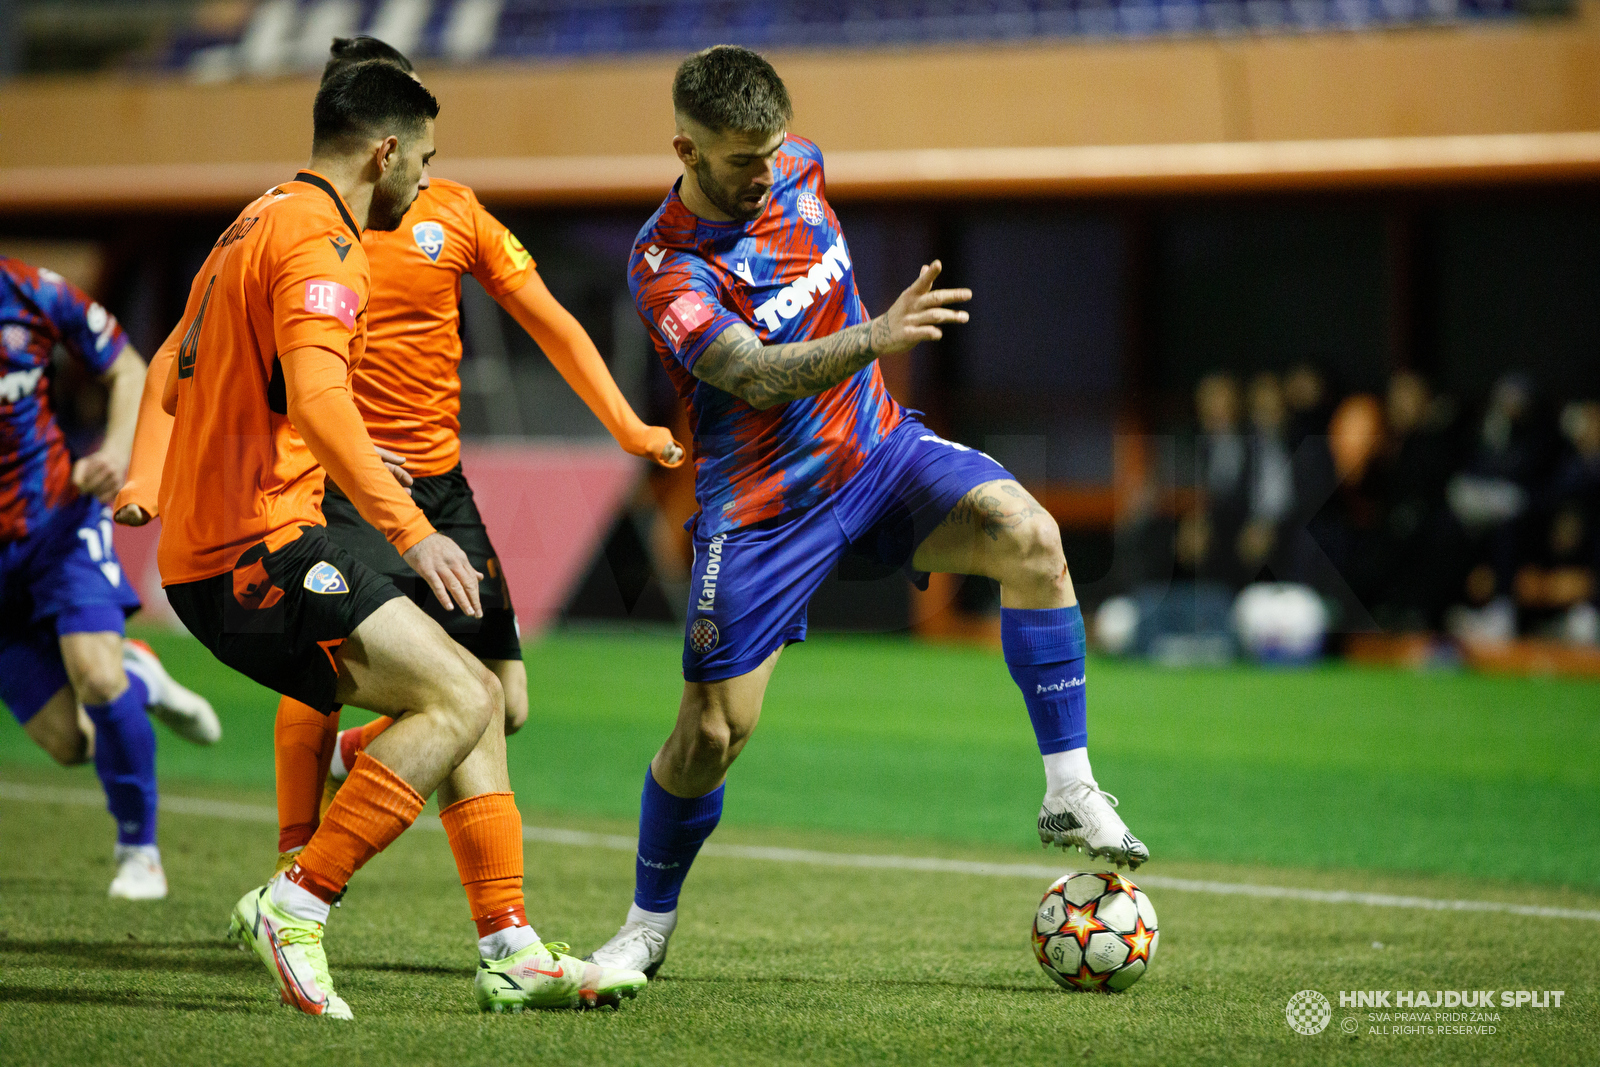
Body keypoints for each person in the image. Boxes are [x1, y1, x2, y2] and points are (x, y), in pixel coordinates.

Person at [585, 45, 1147, 979]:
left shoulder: (799, 163)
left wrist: (870, 361)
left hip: (877, 454)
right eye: (739, 159)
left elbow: (786, 186)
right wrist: (874, 337)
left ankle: (1070, 787)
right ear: (684, 148)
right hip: (764, 506)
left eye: (771, 150)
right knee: (710, 736)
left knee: (1035, 540)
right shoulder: (666, 265)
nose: (765, 173)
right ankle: (646, 925)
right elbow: (749, 375)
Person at [116, 60, 645, 1017]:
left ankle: (510, 944)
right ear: (387, 151)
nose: (430, 178)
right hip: (251, 553)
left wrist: (345, 463)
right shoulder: (324, 241)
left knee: (474, 695)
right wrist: (408, 525)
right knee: (462, 695)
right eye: (425, 158)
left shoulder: (255, 218)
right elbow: (318, 397)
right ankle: (297, 899)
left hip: (261, 528)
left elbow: (202, 368)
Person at [0, 254, 219, 901]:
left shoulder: (31, 291)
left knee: (96, 674)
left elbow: (127, 367)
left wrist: (117, 452)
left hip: (58, 520)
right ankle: (140, 675)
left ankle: (139, 851)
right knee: (69, 742)